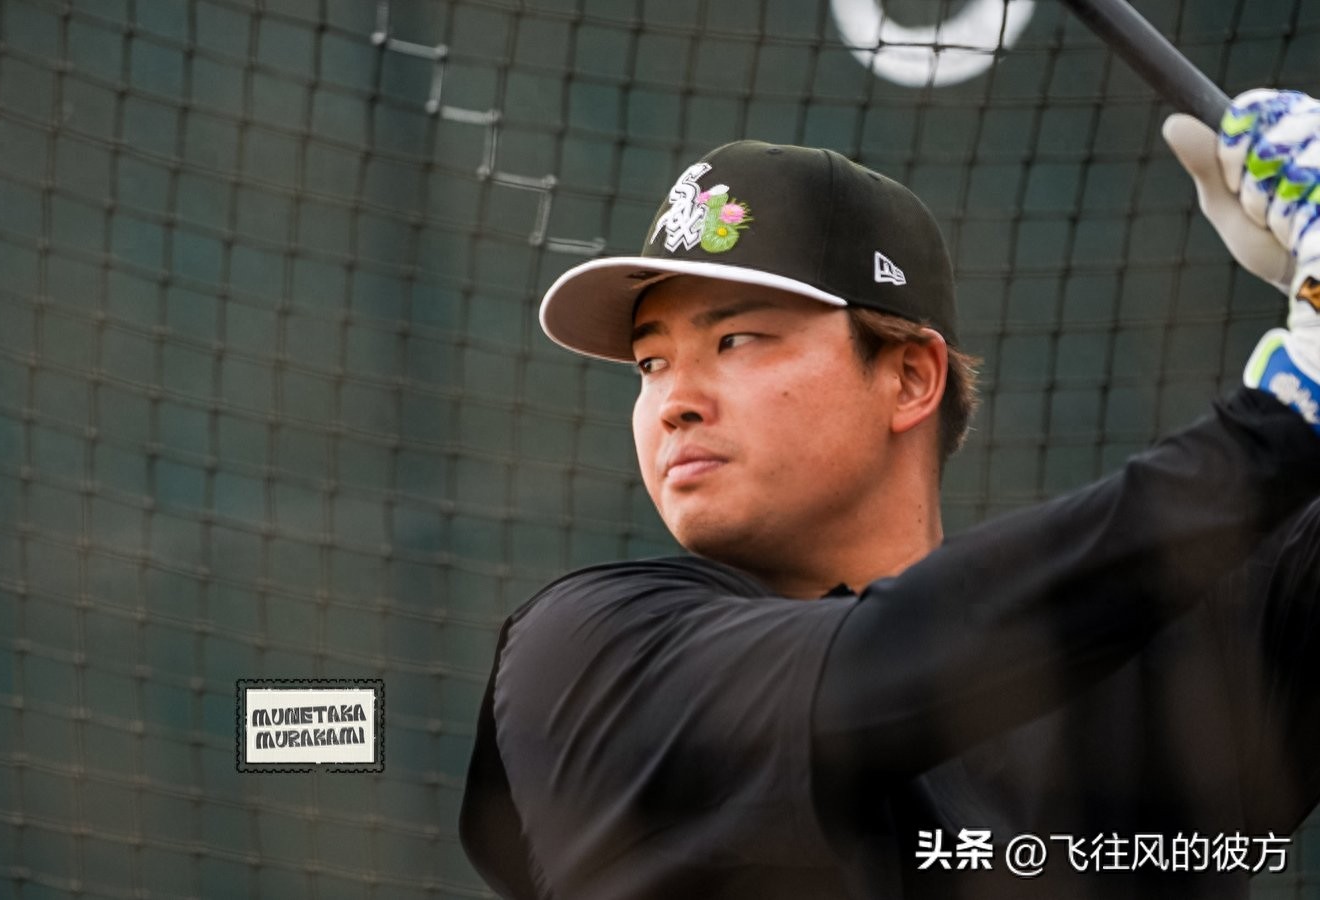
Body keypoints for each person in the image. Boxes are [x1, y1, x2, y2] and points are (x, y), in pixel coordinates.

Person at [459, 89, 1320, 899]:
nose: (673, 400)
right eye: (651, 362)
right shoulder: (590, 651)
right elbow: (893, 661)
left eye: (737, 340)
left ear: (910, 378)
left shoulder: (1177, 649)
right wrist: (1285, 412)